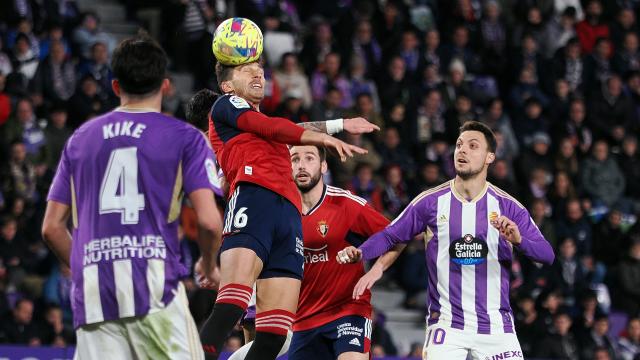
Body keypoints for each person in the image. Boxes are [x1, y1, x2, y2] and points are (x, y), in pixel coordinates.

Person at [41, 36, 224, 359]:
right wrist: (208, 265)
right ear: (166, 86)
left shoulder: (80, 139)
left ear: (114, 86)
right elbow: (210, 222)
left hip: (95, 295)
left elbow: (52, 228)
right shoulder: (185, 138)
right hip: (154, 288)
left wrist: (87, 268)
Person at [200, 56, 379, 360]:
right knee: (231, 306)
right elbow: (274, 127)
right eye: (247, 70)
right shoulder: (226, 106)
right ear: (228, 85)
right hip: (254, 201)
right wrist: (322, 137)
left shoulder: (266, 129)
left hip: (289, 215)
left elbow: (286, 128)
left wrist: (340, 125)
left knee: (274, 336)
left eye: (260, 70)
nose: (258, 74)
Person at [337, 121, 555, 359]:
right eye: (459, 145)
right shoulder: (430, 202)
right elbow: (391, 235)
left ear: (490, 157)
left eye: (473, 146)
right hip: (447, 326)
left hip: (496, 326)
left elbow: (547, 255)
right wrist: (362, 252)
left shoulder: (508, 206)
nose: (462, 150)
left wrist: (519, 239)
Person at [225, 145, 404, 360]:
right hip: (303, 322)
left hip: (348, 312)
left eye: (309, 158)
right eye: (295, 159)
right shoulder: (278, 214)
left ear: (323, 165)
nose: (301, 165)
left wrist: (375, 271)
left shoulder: (346, 204)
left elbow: (398, 236)